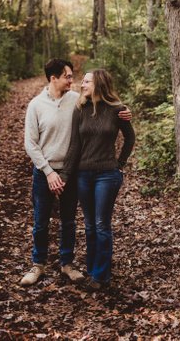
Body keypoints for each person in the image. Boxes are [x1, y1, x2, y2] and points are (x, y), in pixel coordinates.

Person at [21, 59, 132, 286]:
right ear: (54, 78)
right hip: (46, 171)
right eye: (68, 76)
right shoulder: (36, 105)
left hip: (73, 172)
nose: (74, 81)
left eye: (75, 77)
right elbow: (30, 144)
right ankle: (38, 264)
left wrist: (125, 112)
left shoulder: (77, 101)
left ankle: (67, 263)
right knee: (41, 220)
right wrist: (50, 173)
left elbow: (109, 110)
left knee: (69, 221)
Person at [59, 68, 135, 291]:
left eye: (87, 81)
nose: (82, 85)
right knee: (90, 226)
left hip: (106, 175)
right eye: (82, 81)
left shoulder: (117, 110)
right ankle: (92, 269)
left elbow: (130, 138)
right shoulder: (80, 109)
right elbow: (75, 144)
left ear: (99, 83)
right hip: (83, 174)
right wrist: (65, 175)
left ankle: (101, 276)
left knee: (102, 224)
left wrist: (120, 164)